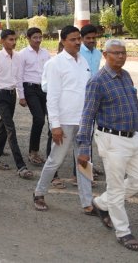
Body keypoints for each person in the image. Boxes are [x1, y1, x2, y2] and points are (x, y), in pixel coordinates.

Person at [77, 39, 138, 251]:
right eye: (115, 53)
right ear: (105, 55)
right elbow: (87, 116)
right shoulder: (97, 81)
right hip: (112, 139)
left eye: (123, 53)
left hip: (134, 136)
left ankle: (101, 203)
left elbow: (134, 104)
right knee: (116, 187)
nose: (120, 56)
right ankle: (123, 231)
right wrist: (83, 148)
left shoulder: (125, 76)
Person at [33, 25, 93, 213]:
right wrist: (55, 125)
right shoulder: (55, 64)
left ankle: (87, 202)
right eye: (73, 39)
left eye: (78, 39)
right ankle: (39, 193)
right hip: (64, 122)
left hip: (83, 121)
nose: (77, 42)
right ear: (63, 41)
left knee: (84, 161)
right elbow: (52, 96)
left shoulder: (83, 61)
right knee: (55, 160)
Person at [0, 29, 33, 179]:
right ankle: (21, 166)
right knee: (10, 128)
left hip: (12, 94)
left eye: (14, 39)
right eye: (10, 40)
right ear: (2, 41)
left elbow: (19, 77)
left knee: (4, 128)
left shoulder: (18, 57)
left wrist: (21, 95)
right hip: (0, 94)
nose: (13, 42)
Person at [16, 27, 51, 166]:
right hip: (29, 88)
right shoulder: (23, 54)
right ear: (28, 39)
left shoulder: (45, 53)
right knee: (39, 119)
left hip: (44, 89)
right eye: (35, 37)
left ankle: (50, 152)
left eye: (39, 37)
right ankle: (33, 152)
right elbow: (18, 75)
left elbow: (50, 71)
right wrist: (21, 96)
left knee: (50, 119)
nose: (38, 40)